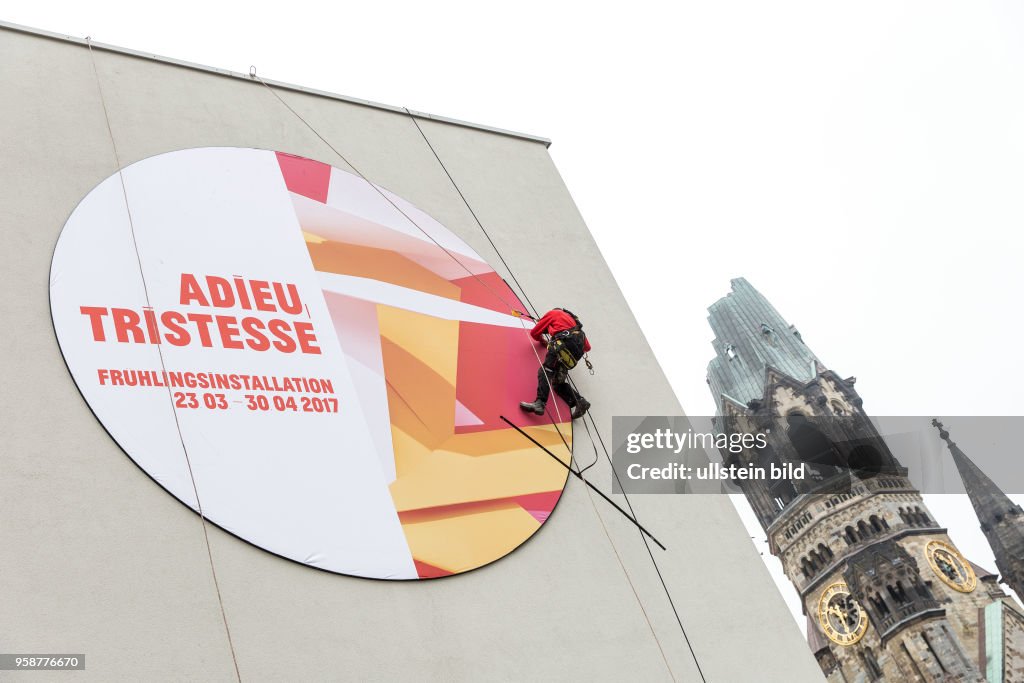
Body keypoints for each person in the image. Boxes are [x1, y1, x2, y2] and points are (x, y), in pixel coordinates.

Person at [519, 308, 591, 420]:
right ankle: (580, 401)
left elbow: (534, 333)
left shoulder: (554, 313)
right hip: (569, 356)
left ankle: (540, 403)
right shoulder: (577, 327)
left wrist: (543, 341)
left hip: (561, 346)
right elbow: (587, 347)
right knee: (558, 383)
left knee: (546, 371)